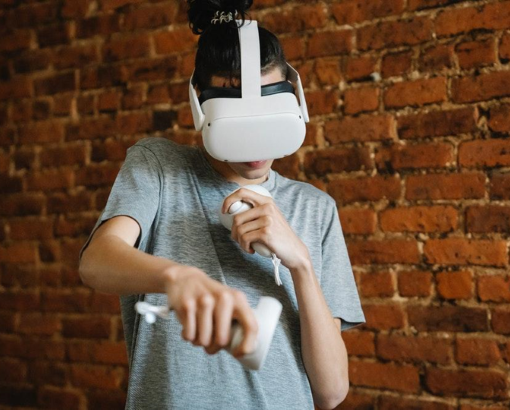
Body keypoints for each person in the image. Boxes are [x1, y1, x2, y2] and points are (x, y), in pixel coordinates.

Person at [78, 1, 365, 409]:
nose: (255, 145)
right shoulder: (160, 167)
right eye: (237, 119)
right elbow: (95, 262)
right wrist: (175, 277)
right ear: (200, 102)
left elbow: (331, 392)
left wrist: (300, 261)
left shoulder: (315, 209)